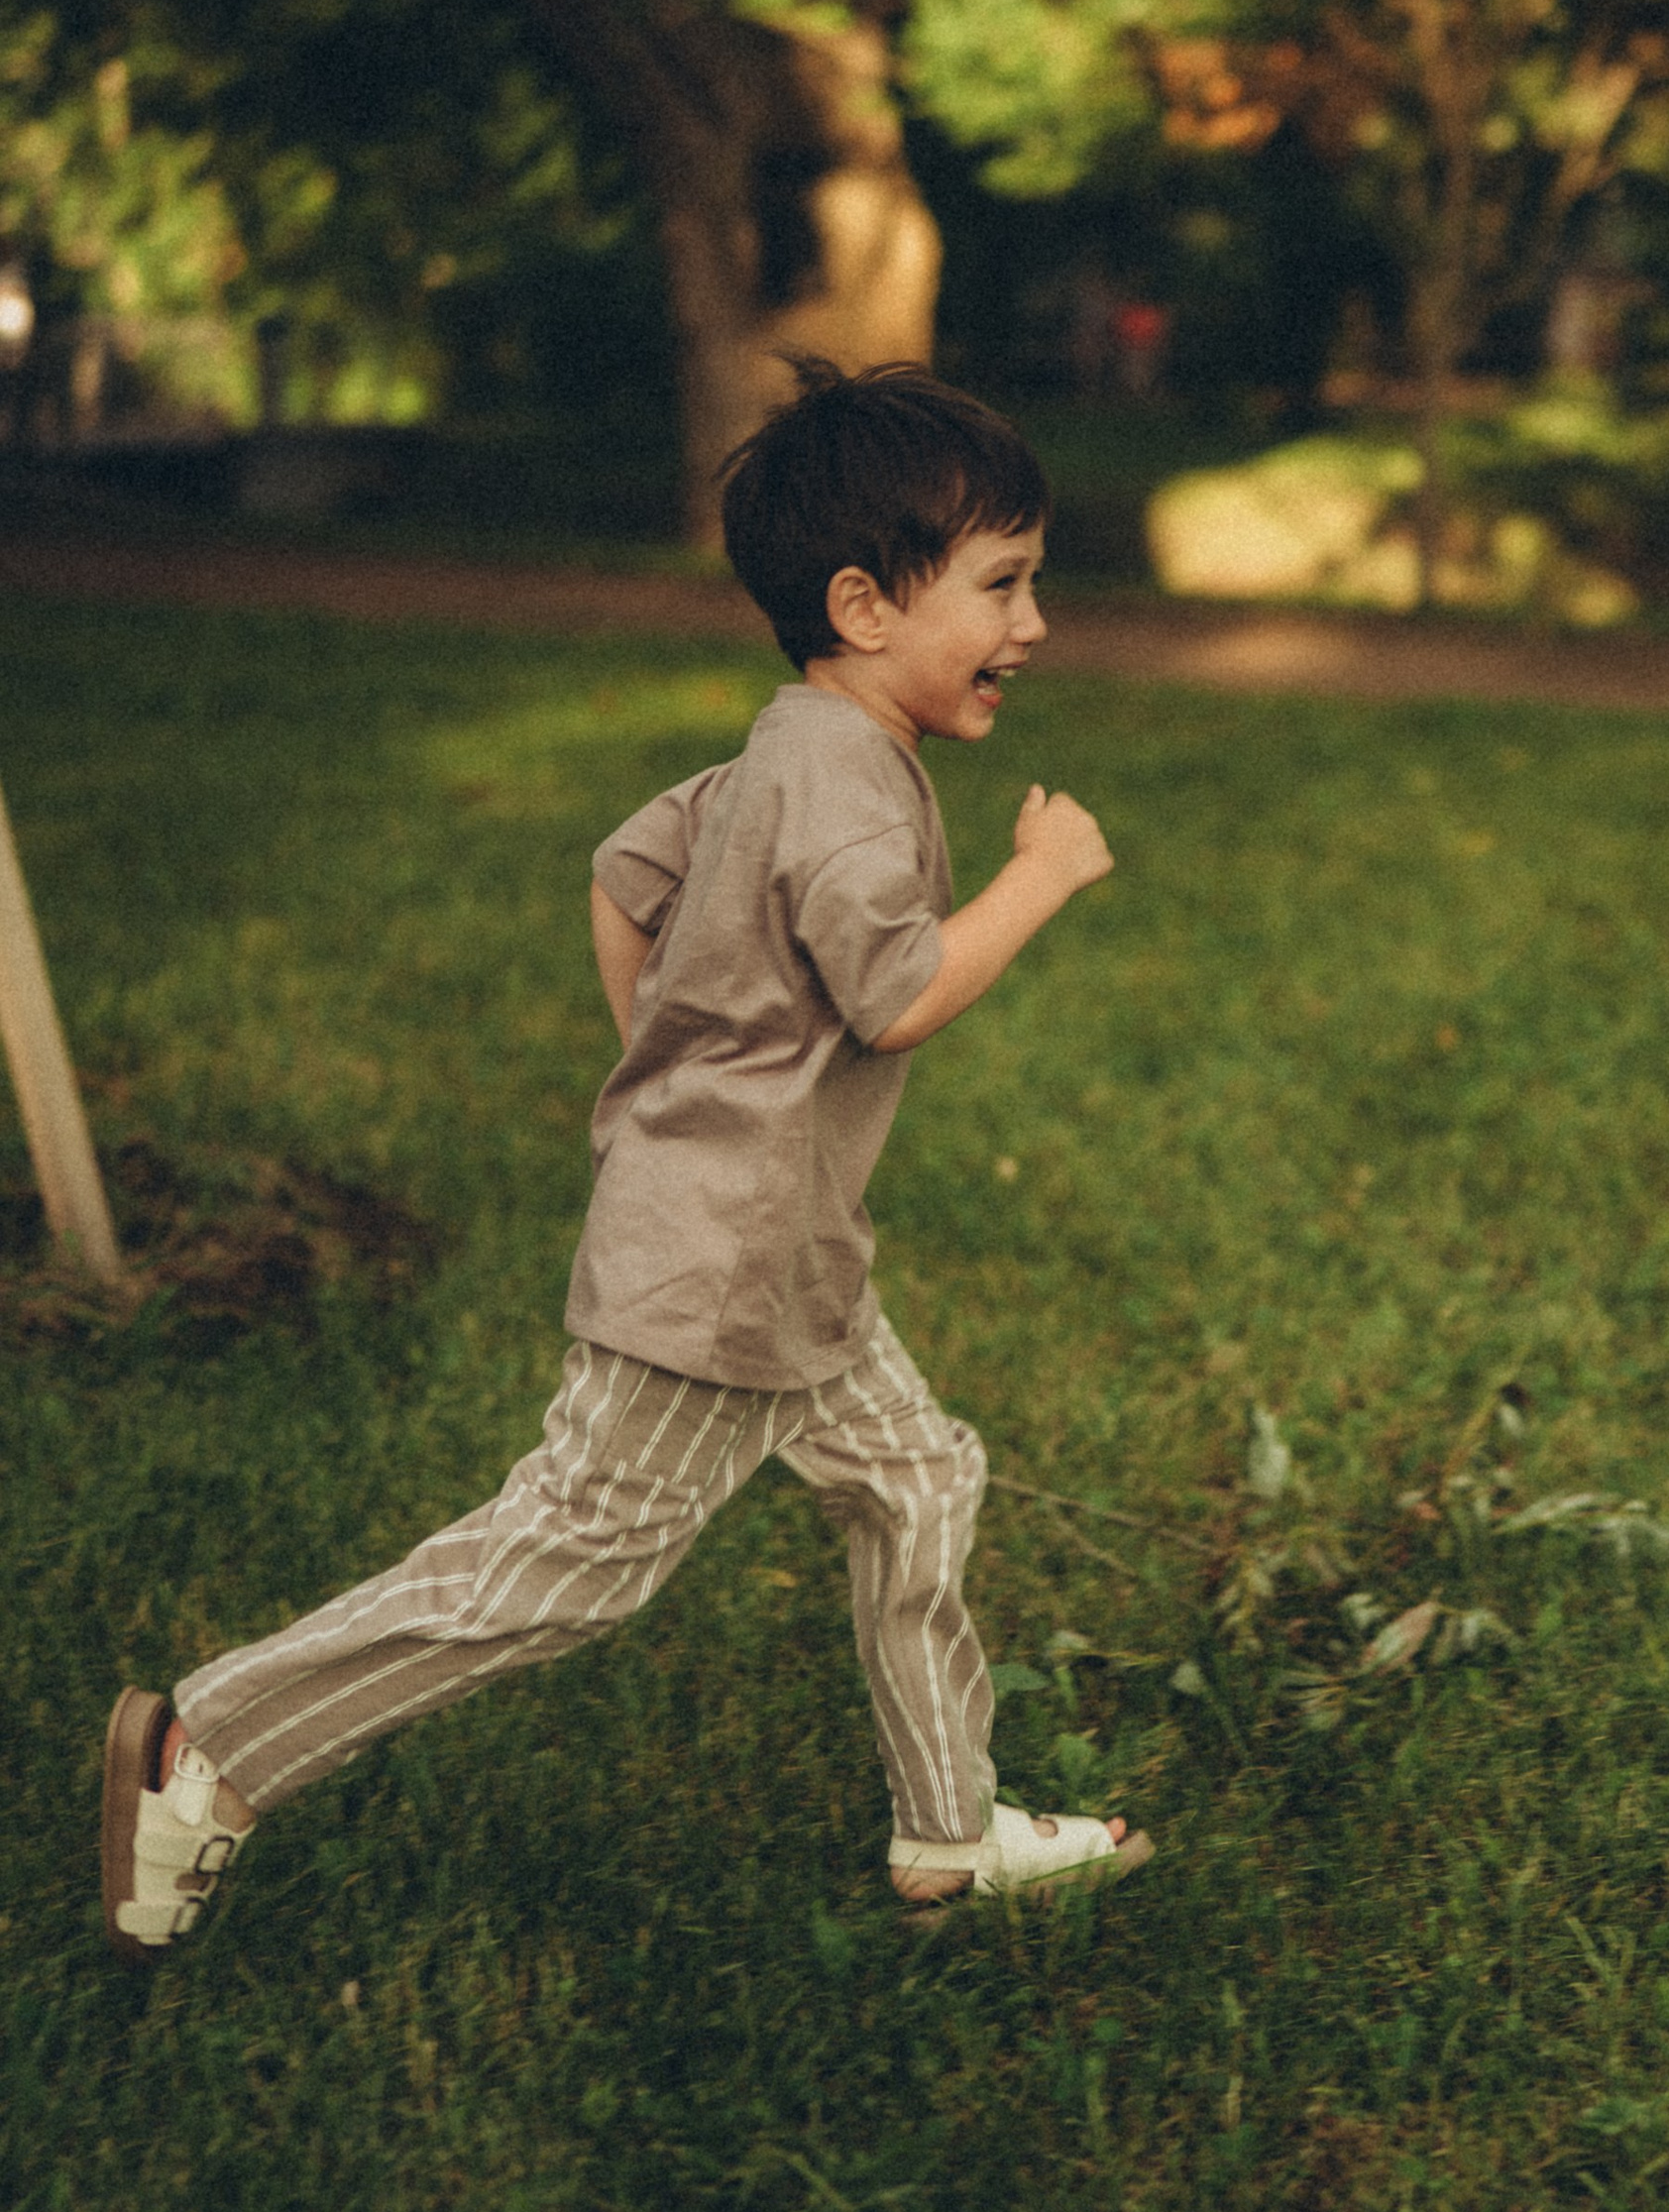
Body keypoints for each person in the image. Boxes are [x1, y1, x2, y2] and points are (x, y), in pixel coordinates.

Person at [100, 362, 1149, 1957]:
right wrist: (1044, 876)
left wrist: (669, 1079)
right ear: (864, 605)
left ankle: (949, 1830)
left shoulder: (790, 745)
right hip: (727, 1274)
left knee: (919, 1480)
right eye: (1003, 585)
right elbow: (904, 995)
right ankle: (214, 1745)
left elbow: (622, 876)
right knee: (571, 1566)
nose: (1036, 624)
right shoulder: (854, 799)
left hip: (780, 1249)